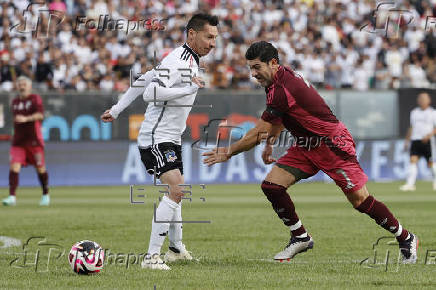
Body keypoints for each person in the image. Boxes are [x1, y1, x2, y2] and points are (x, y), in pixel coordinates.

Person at [203, 41, 418, 264]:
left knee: (360, 201)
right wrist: (270, 144)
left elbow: (258, 132)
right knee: (272, 186)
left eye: (257, 67)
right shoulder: (277, 79)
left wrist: (228, 153)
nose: (253, 74)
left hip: (332, 144)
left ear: (273, 63)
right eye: (250, 68)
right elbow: (280, 118)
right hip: (306, 144)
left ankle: (406, 237)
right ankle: (300, 236)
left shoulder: (281, 88)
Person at [101, 13, 218, 270]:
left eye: (215, 38)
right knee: (176, 189)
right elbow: (151, 93)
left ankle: (176, 249)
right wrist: (188, 89)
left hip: (171, 137)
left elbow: (145, 79)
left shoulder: (187, 59)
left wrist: (118, 108)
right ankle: (151, 258)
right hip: (156, 137)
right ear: (191, 34)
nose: (213, 43)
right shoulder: (180, 60)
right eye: (209, 37)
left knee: (176, 192)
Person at [2, 76, 50, 206]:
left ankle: (45, 194)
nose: (22, 86)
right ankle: (12, 196)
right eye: (20, 84)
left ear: (29, 87)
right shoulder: (15, 101)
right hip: (18, 141)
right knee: (14, 166)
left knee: (40, 168)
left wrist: (26, 118)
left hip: (34, 141)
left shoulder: (35, 99)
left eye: (24, 84)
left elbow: (40, 115)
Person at [400, 92, 436, 191]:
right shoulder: (414, 112)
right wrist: (407, 141)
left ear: (429, 100)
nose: (421, 100)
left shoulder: (433, 112)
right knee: (412, 161)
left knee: (431, 163)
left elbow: (435, 128)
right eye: (420, 98)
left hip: (427, 141)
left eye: (424, 98)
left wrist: (429, 136)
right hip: (415, 140)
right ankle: (410, 184)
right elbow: (411, 127)